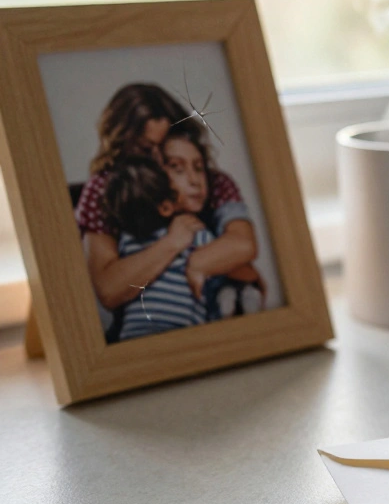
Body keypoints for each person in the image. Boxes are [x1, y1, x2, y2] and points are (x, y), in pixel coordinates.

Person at [74, 83, 259, 337]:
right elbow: (109, 288)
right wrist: (173, 244)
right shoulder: (105, 190)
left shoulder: (212, 182)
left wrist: (197, 263)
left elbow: (243, 246)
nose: (158, 160)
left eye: (165, 147)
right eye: (146, 150)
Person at [102, 156, 213, 339]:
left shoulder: (125, 241)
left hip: (133, 335)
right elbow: (224, 256)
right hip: (182, 331)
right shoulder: (190, 230)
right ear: (166, 207)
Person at [161, 126, 265, 319]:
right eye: (178, 169)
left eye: (199, 168)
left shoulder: (213, 209)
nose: (195, 180)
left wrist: (198, 264)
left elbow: (245, 253)